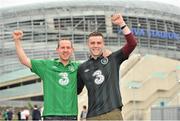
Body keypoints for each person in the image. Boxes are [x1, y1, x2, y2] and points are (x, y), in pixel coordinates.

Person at [77, 13, 137, 120]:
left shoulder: (113, 59)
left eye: (99, 43)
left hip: (112, 114)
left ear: (103, 44)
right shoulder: (82, 67)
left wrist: (122, 24)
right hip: (92, 116)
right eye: (93, 43)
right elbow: (76, 90)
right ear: (88, 44)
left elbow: (132, 44)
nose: (96, 46)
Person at [12, 31, 79, 120]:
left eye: (68, 47)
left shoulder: (78, 67)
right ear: (57, 50)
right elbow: (24, 60)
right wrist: (17, 41)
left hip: (71, 116)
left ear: (72, 50)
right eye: (62, 47)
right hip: (51, 116)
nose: (65, 50)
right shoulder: (47, 65)